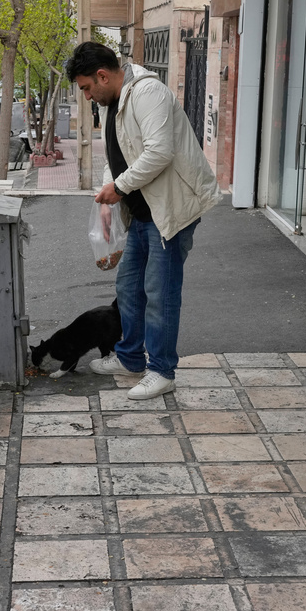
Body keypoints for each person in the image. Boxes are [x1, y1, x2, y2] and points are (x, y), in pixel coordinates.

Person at [65, 41, 220, 400]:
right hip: (142, 213)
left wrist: (117, 188)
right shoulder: (113, 102)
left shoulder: (147, 92)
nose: (87, 96)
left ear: (102, 76)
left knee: (160, 294)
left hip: (170, 211)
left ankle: (162, 370)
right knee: (129, 288)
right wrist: (109, 196)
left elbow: (159, 152)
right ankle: (131, 358)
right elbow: (117, 154)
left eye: (87, 88)